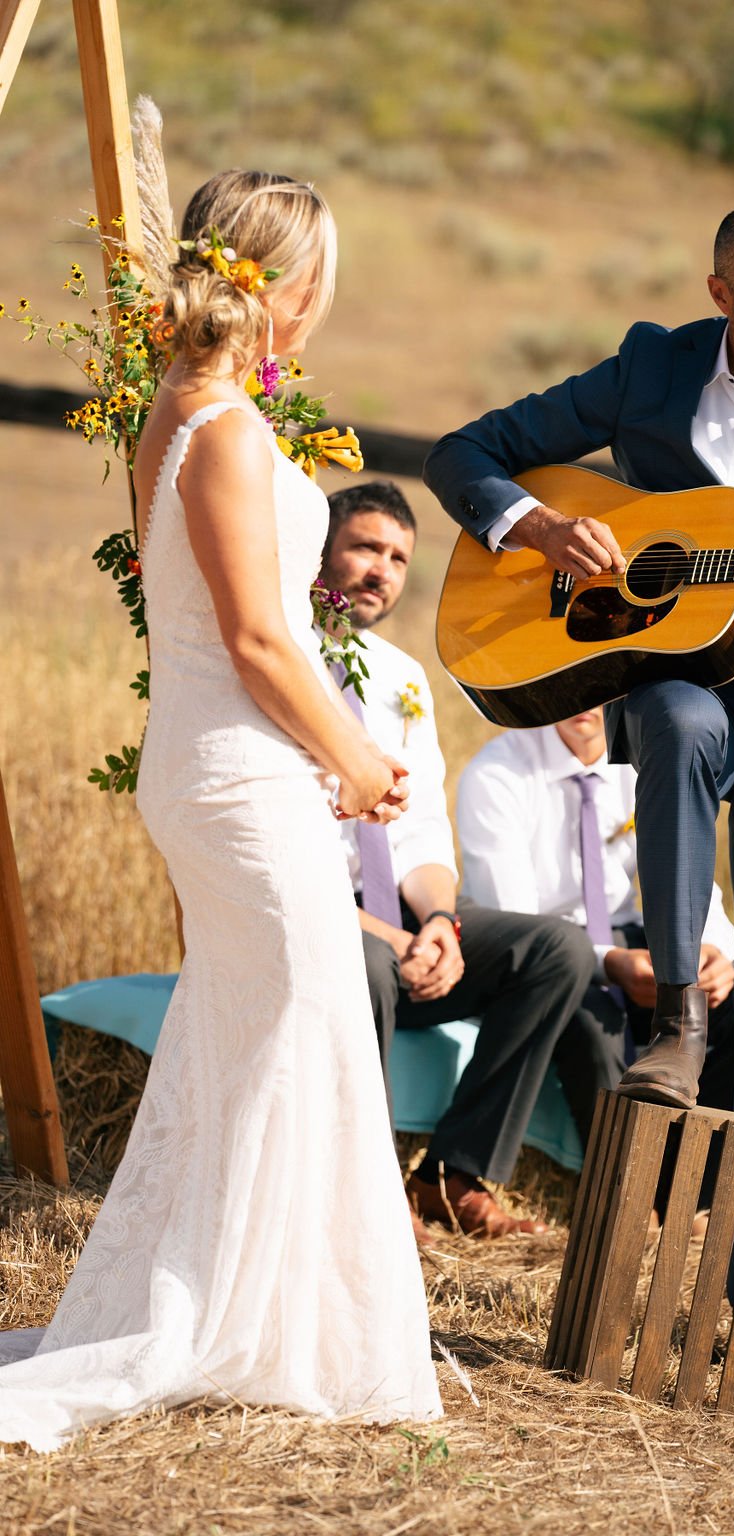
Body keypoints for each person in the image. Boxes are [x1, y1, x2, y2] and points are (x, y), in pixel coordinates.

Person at [0, 166, 441, 1450]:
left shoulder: (178, 409)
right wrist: (355, 759)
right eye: (323, 279)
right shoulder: (230, 430)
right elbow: (253, 636)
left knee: (254, 1036)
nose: (325, 303)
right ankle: (244, 1323)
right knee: (302, 1020)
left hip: (216, 764)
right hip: (240, 773)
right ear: (286, 283)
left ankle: (251, 1309)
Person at [424, 198, 734, 1194]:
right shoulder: (652, 369)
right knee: (677, 715)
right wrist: (539, 528)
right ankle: (677, 1019)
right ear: (720, 294)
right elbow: (464, 453)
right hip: (687, 687)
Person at [319, 480, 596, 1242]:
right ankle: (367, 1190)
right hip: (321, 919)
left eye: (397, 558)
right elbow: (287, 850)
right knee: (367, 964)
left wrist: (439, 921)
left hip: (402, 917)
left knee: (558, 950)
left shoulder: (404, 676)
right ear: (321, 550)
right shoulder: (288, 664)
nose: (381, 570)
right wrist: (392, 938)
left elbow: (421, 831)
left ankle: (453, 1175)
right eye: (365, 548)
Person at [456, 708, 734, 1143]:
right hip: (548, 959)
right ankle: (620, 1171)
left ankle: (694, 1166)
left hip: (625, 933)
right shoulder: (497, 772)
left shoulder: (645, 763)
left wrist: (716, 950)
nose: (582, 702)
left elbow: (689, 868)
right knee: (595, 1026)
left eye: (598, 686)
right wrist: (609, 964)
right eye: (568, 683)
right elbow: (522, 928)